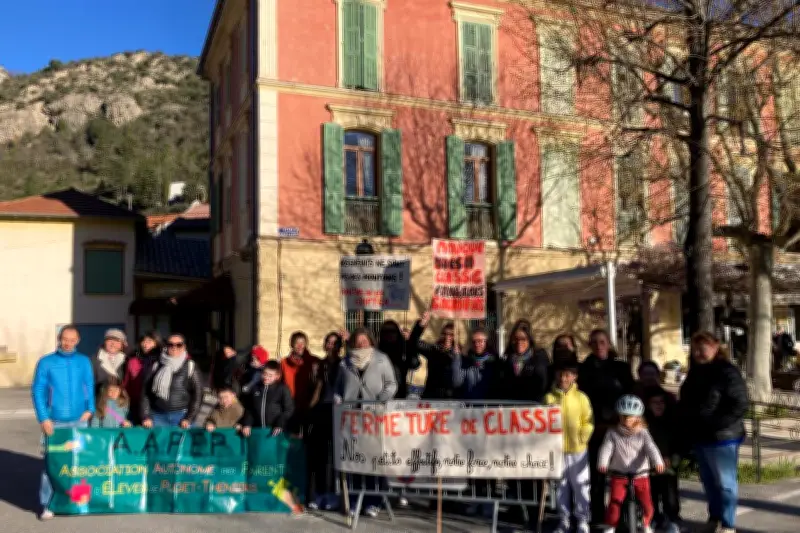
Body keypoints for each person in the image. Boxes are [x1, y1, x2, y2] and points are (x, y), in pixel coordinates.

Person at [679, 332, 748, 533]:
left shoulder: (727, 372)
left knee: (726, 483)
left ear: (716, 347)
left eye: (704, 347)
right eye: (696, 348)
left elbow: (740, 403)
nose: (700, 352)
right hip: (700, 437)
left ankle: (728, 524)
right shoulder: (694, 372)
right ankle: (714, 517)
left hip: (722, 437)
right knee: (709, 482)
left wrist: (716, 424)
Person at [31, 324, 95, 521]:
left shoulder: (83, 361)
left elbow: (89, 385)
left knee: (79, 463)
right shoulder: (46, 362)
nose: (68, 343)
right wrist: (43, 418)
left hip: (79, 420)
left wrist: (89, 409)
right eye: (65, 339)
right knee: (52, 464)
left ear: (78, 340)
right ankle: (48, 504)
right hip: (55, 422)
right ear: (59, 338)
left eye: (72, 339)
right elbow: (38, 390)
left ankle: (77, 500)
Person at [334, 328, 398, 518]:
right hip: (351, 417)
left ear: (370, 341)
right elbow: (338, 386)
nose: (362, 344)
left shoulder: (381, 359)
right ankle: (353, 500)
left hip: (373, 417)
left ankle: (373, 501)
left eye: (365, 340)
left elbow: (391, 384)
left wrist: (380, 400)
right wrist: (338, 398)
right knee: (353, 459)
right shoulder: (345, 362)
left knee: (372, 460)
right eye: (358, 341)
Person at [578, 328, 635, 527]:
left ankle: (624, 517)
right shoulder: (584, 369)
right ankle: (598, 516)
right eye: (594, 343)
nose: (599, 346)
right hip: (595, 427)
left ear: (609, 344)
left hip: (619, 427)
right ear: (589, 346)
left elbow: (631, 394)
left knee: (623, 475)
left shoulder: (621, 368)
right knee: (597, 476)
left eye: (602, 342)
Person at [598, 395, 665, 533]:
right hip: (619, 474)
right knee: (615, 504)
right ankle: (611, 526)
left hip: (640, 474)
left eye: (631, 416)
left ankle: (646, 524)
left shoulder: (643, 433)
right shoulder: (613, 433)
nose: (627, 419)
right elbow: (606, 448)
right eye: (624, 416)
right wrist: (603, 462)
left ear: (638, 417)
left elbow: (651, 448)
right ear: (619, 416)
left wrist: (658, 462)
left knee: (647, 505)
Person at [544, 350, 594, 533]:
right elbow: (542, 422)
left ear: (574, 376)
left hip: (577, 449)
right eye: (560, 374)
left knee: (580, 485)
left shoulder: (581, 398)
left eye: (567, 374)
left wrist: (584, 435)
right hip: (557, 449)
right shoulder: (549, 398)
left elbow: (588, 420)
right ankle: (564, 519)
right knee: (561, 487)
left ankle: (582, 519)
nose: (563, 378)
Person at [307, 332, 344, 511]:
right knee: (320, 455)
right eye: (328, 342)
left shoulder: (343, 363)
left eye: (334, 343)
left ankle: (333, 494)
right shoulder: (320, 364)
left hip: (338, 411)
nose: (330, 345)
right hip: (321, 410)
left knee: (334, 455)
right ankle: (319, 493)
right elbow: (318, 388)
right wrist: (310, 409)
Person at [141, 333, 201, 428]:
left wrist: (189, 418)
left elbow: (198, 395)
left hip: (181, 416)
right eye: (170, 344)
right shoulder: (156, 365)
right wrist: (146, 416)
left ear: (184, 347)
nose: (174, 347)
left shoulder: (190, 365)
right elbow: (145, 393)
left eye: (179, 345)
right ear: (166, 346)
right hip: (158, 416)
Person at [644, 387, 682, 533]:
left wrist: (673, 459)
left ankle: (671, 518)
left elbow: (679, 444)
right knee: (650, 493)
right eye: (655, 402)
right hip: (649, 466)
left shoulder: (672, 422)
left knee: (670, 494)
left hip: (668, 465)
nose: (659, 405)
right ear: (648, 404)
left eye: (661, 402)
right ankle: (654, 517)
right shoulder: (645, 423)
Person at [496, 321, 550, 402]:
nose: (519, 342)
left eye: (523, 339)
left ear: (529, 340)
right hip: (511, 408)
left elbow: (543, 385)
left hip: (533, 408)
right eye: (515, 339)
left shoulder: (539, 358)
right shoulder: (505, 360)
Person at [280, 331, 320, 435]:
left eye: (302, 342)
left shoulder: (314, 361)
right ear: (292, 344)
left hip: (309, 405)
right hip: (291, 405)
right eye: (297, 343)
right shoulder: (284, 363)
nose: (300, 346)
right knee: (292, 438)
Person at [241, 361, 294, 436]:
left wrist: (280, 424)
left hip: (276, 430)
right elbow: (250, 408)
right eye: (264, 374)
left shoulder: (282, 389)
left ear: (277, 376)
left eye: (270, 375)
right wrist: (247, 424)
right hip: (258, 431)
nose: (266, 377)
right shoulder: (255, 388)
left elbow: (289, 409)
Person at [377, 315, 425, 399]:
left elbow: (415, 364)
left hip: (399, 395)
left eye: (392, 331)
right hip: (378, 394)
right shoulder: (376, 350)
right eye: (385, 331)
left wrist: (409, 343)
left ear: (397, 332)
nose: (389, 334)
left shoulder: (403, 348)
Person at [123, 331, 161, 425]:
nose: (145, 344)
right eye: (143, 341)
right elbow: (127, 383)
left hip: (156, 406)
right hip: (135, 404)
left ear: (156, 343)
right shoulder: (133, 361)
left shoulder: (162, 359)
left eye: (149, 341)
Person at [452, 327, 498, 400]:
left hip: (490, 407)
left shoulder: (495, 362)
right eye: (474, 341)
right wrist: (457, 357)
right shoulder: (466, 361)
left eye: (480, 341)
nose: (476, 344)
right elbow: (456, 382)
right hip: (470, 407)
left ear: (486, 342)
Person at [417, 321, 460, 399]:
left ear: (456, 337)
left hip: (450, 396)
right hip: (431, 393)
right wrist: (420, 326)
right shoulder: (433, 349)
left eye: (451, 335)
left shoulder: (459, 355)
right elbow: (416, 343)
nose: (447, 337)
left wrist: (457, 357)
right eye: (445, 334)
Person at [91, 328, 128, 394]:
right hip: (100, 400)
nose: (113, 344)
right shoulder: (94, 360)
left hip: (121, 401)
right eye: (110, 340)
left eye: (117, 341)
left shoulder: (127, 360)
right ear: (105, 342)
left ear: (122, 345)